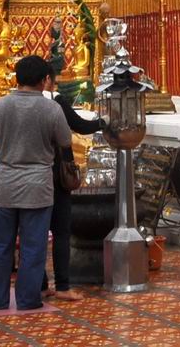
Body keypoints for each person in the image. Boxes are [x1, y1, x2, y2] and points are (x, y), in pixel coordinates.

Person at [0, 54, 69, 312]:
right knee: (33, 246)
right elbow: (64, 140)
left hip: (6, 184)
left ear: (16, 78)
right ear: (44, 81)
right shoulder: (51, 109)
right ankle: (28, 299)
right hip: (37, 186)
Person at [45, 73, 105, 299]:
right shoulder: (54, 102)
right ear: (47, 80)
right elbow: (74, 129)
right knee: (61, 232)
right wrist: (103, 122)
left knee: (34, 233)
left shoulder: (7, 103)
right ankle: (62, 286)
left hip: (25, 179)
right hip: (55, 175)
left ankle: (39, 285)